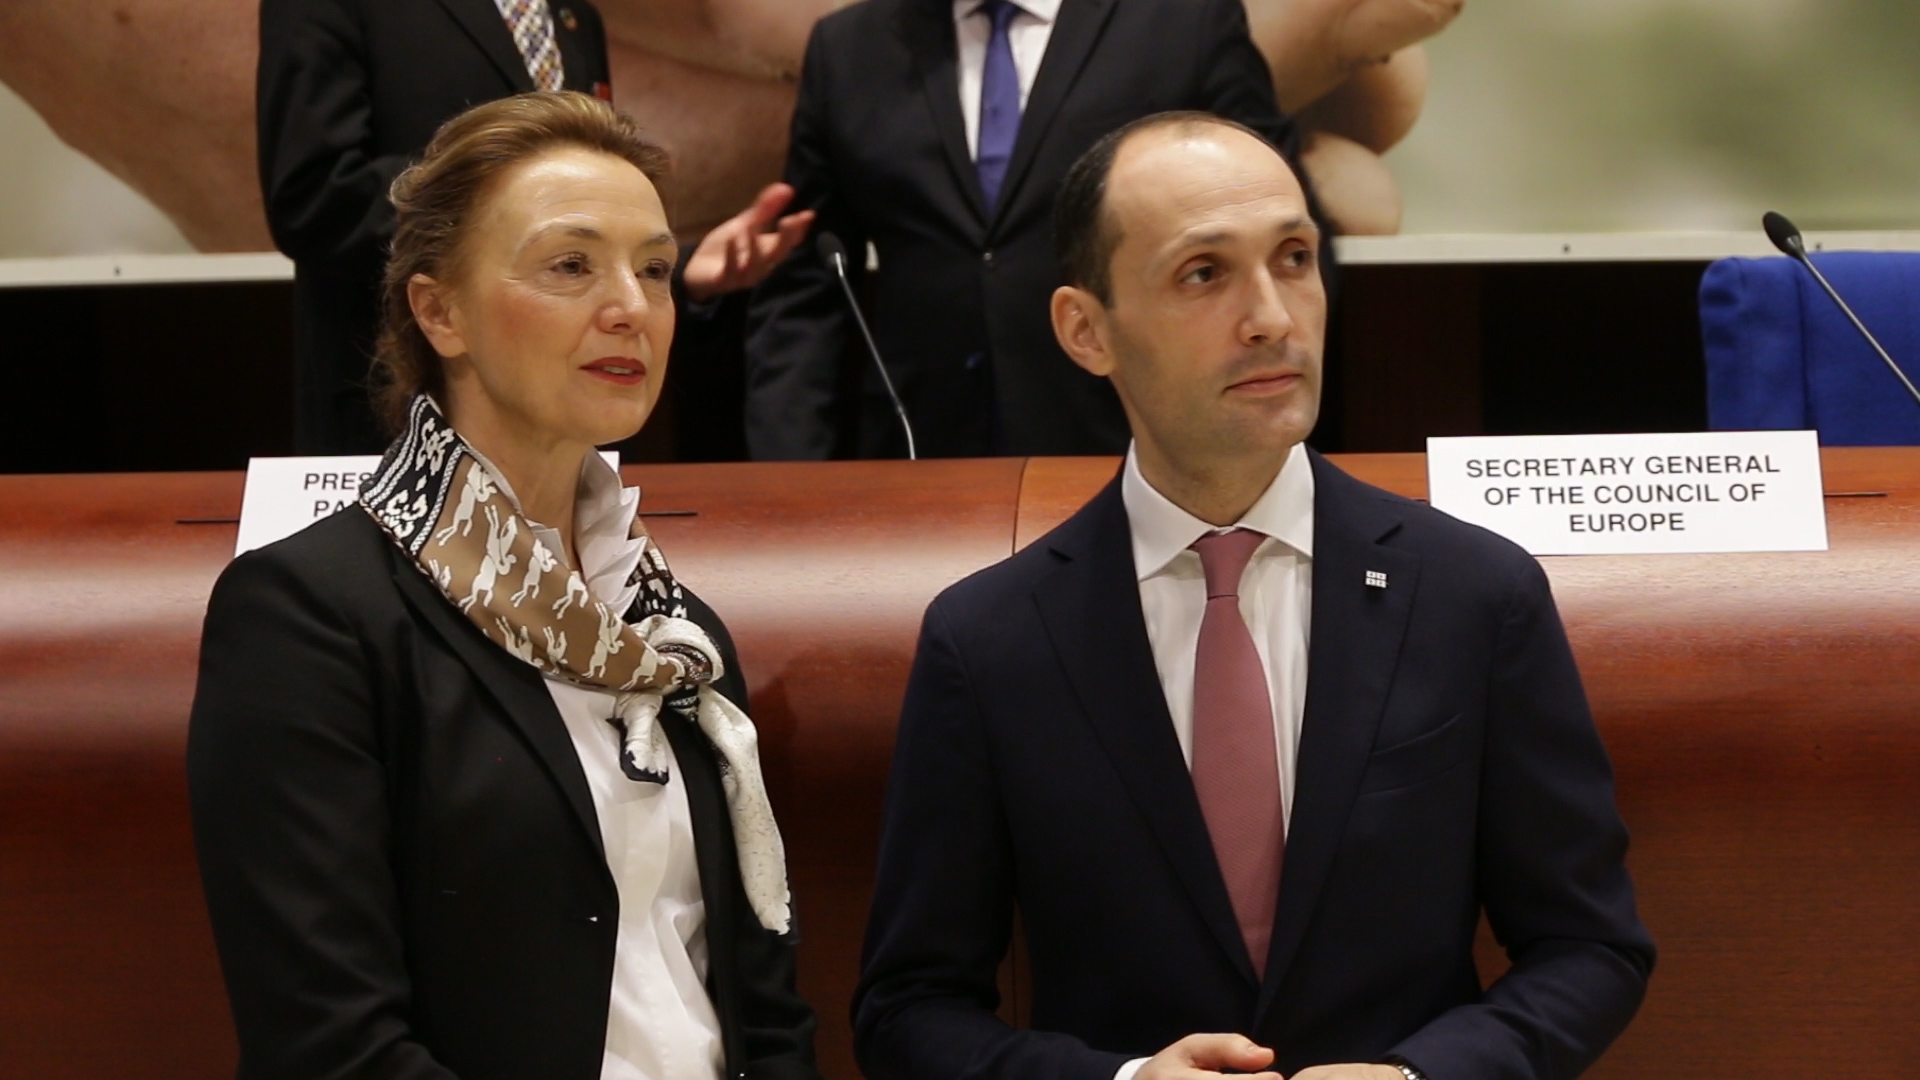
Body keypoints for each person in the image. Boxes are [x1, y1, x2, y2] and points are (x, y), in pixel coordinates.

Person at [854, 112, 1654, 1080]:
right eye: (1205, 273)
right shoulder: (991, 639)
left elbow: (1590, 947)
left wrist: (1419, 1077)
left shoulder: (1474, 594)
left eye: (1295, 258)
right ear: (1086, 330)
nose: (1273, 316)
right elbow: (908, 1010)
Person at [189, 92, 820, 1080]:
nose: (631, 306)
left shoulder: (674, 632)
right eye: (571, 265)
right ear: (439, 311)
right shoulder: (310, 615)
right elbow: (331, 1046)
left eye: (655, 268)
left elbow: (764, 1010)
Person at [741, 0, 1310, 460]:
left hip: (1129, 442)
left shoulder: (1184, 22)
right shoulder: (849, 46)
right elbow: (806, 284)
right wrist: (787, 476)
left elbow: (1281, 226)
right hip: (919, 449)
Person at [258, 0, 811, 453]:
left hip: (567, 440)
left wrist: (680, 269)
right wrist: (505, 203)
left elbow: (574, 214)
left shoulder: (572, 15)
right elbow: (315, 198)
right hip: (398, 415)